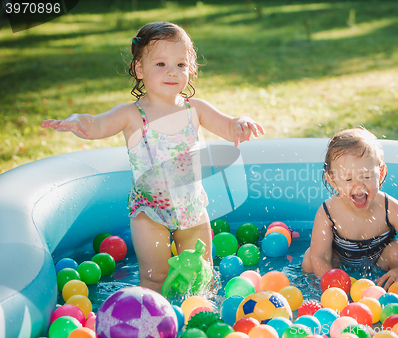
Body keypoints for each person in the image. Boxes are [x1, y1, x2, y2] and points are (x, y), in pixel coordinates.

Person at [41, 21, 265, 292]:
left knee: (203, 275)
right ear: (139, 69)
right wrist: (79, 121)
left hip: (192, 208)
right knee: (154, 277)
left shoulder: (196, 109)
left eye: (181, 65)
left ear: (190, 69)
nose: (172, 72)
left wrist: (241, 122)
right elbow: (98, 125)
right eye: (161, 64)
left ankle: (200, 318)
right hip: (150, 212)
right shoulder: (132, 114)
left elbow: (228, 126)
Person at [302, 128, 398, 290]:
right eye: (348, 179)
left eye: (367, 177)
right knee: (310, 258)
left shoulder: (388, 207)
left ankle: (396, 287)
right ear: (333, 181)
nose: (359, 186)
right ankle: (314, 290)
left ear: (381, 173)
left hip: (380, 261)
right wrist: (333, 286)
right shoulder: (328, 211)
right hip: (340, 261)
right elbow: (320, 256)